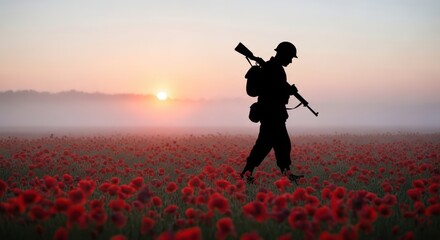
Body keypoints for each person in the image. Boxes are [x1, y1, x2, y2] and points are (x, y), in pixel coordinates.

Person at [240, 41, 303, 184]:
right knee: (267, 145)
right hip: (271, 114)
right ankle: (247, 173)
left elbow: (275, 88)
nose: (291, 61)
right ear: (283, 54)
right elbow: (273, 90)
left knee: (279, 144)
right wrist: (289, 91)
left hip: (274, 114)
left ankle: (285, 173)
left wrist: (288, 91)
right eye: (290, 57)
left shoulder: (273, 68)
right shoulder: (272, 69)